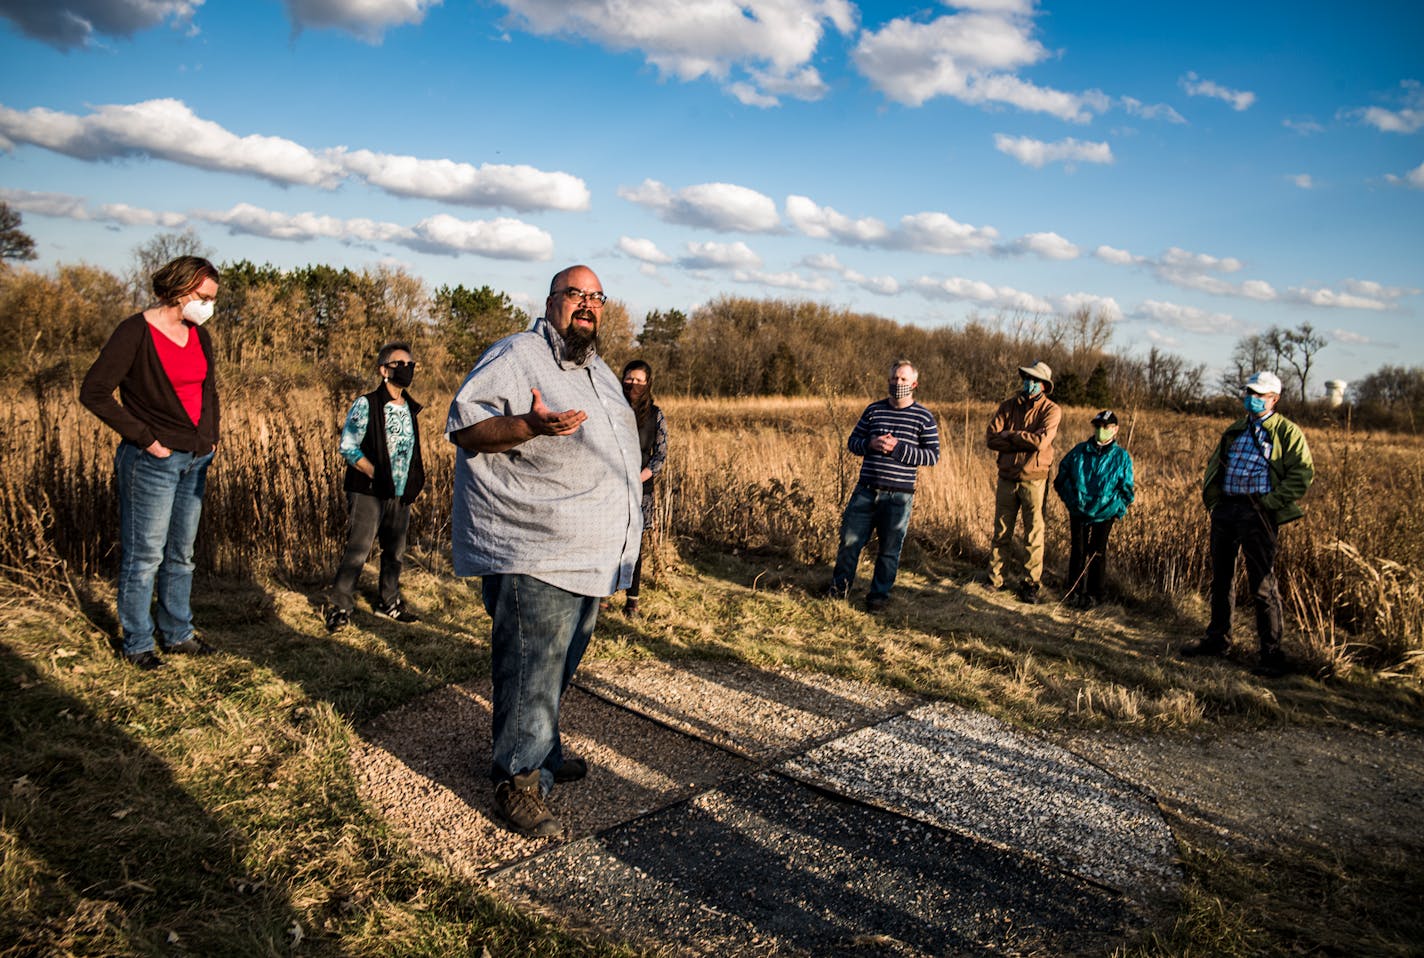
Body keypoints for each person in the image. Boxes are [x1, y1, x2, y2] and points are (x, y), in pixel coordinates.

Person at [446, 264, 642, 838]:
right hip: (537, 546)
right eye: (575, 294)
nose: (587, 304)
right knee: (532, 666)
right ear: (552, 300)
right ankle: (519, 778)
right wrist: (527, 426)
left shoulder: (599, 370)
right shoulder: (517, 354)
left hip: (590, 551)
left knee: (560, 660)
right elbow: (465, 426)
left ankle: (542, 747)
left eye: (596, 297)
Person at [79, 255, 222, 670]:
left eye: (213, 299)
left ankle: (177, 634)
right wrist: (145, 439)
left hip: (195, 459)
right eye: (204, 296)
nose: (209, 306)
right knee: (145, 556)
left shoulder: (200, 335)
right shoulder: (135, 332)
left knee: (182, 554)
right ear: (179, 289)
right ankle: (138, 642)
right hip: (152, 462)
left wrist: (210, 438)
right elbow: (95, 391)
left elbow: (208, 390)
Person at [1183, 371, 1314, 677]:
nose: (1251, 398)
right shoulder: (1236, 429)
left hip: (1258, 513)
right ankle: (1218, 640)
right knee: (1221, 578)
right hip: (1227, 509)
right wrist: (1215, 503)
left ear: (1274, 399)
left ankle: (1271, 654)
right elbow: (1217, 465)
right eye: (1249, 392)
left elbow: (1302, 473)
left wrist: (1269, 503)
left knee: (1262, 584)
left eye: (1259, 394)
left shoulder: (1287, 432)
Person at [825, 360, 941, 613]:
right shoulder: (873, 410)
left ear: (914, 384)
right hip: (866, 490)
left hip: (899, 496)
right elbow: (853, 442)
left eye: (902, 380)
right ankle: (839, 590)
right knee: (849, 542)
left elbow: (932, 456)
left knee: (889, 550)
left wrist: (898, 448)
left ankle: (878, 597)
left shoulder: (923, 417)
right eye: (893, 379)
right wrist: (871, 444)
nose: (897, 383)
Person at [325, 342, 425, 632]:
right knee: (358, 550)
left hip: (401, 493)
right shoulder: (366, 404)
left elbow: (412, 451)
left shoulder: (410, 409)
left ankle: (389, 602)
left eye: (410, 364)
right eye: (399, 364)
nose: (406, 369)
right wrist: (376, 474)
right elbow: (348, 447)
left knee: (394, 552)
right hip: (369, 491)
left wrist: (415, 481)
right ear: (384, 370)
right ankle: (340, 607)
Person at [985, 361, 1062, 604]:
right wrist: (1019, 440)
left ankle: (1030, 584)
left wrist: (1012, 435)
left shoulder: (1051, 410)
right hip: (1007, 476)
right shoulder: (1008, 407)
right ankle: (995, 579)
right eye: (1027, 378)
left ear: (1044, 385)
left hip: (1034, 479)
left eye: (1034, 380)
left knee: (1033, 534)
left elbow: (1041, 442)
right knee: (1001, 531)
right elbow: (991, 438)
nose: (1029, 383)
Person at [1053, 410, 1135, 609]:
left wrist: (1116, 508)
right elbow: (1061, 479)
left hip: (1105, 513)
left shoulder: (1121, 457)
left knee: (1098, 553)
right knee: (1078, 551)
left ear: (1115, 430)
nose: (1101, 431)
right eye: (1098, 427)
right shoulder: (1079, 452)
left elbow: (1127, 489)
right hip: (1079, 510)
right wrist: (1073, 501)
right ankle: (1074, 591)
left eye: (1106, 427)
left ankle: (1094, 595)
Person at [615, 359, 667, 617]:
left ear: (648, 384)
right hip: (610, 485)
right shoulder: (611, 409)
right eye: (629, 378)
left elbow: (660, 455)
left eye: (639, 380)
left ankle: (631, 600)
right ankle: (601, 595)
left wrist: (639, 477)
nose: (633, 384)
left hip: (641, 488)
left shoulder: (656, 415)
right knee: (609, 541)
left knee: (634, 546)